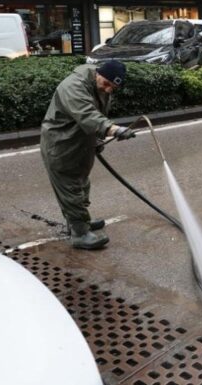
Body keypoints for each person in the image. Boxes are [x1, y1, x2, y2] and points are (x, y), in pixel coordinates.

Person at [40, 60, 136, 250]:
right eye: (107, 84)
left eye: (113, 88)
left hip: (80, 143)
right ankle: (80, 234)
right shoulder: (73, 87)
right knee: (71, 188)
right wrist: (112, 129)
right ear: (98, 74)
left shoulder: (98, 84)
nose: (108, 90)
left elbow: (96, 113)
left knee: (82, 184)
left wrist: (97, 139)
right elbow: (87, 114)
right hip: (62, 144)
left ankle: (78, 221)